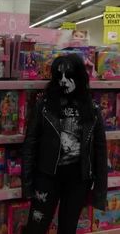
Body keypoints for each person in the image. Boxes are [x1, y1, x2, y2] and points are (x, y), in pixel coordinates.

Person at [22, 54, 107, 234]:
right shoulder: (44, 105)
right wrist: (28, 184)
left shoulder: (92, 109)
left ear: (79, 77)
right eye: (58, 76)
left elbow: (100, 150)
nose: (63, 81)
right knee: (35, 227)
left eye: (69, 75)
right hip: (47, 177)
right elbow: (30, 143)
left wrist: (100, 191)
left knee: (68, 228)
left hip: (78, 180)